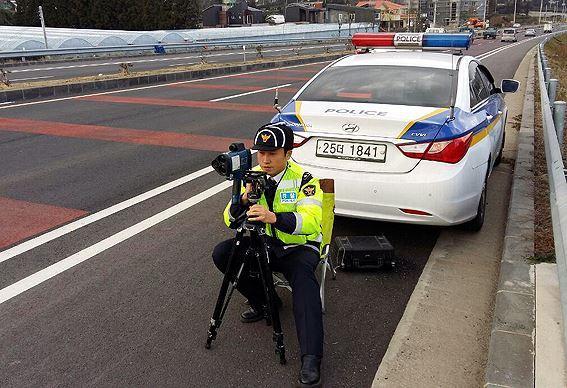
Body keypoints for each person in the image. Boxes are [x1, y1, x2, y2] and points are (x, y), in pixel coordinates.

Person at [212, 122, 324, 387]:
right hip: (264, 245)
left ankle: (311, 357)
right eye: (261, 153)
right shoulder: (250, 176)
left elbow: (311, 222)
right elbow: (229, 219)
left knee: (305, 284)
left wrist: (274, 217)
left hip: (299, 248)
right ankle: (267, 302)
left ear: (288, 153)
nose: (265, 160)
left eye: (272, 153)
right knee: (223, 253)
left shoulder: (306, 179)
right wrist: (240, 201)